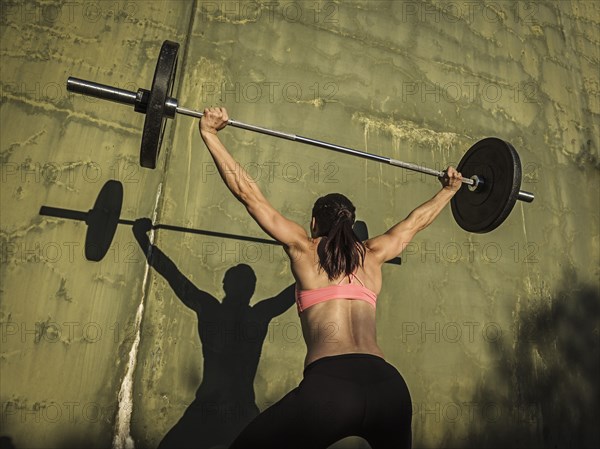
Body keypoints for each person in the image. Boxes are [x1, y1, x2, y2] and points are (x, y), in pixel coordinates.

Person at [199, 107, 463, 449]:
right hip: (389, 388)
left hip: (331, 389)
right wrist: (449, 191)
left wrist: (210, 135)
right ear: (351, 224)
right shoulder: (374, 254)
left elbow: (249, 195)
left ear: (313, 223)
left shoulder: (303, 250)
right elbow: (416, 222)